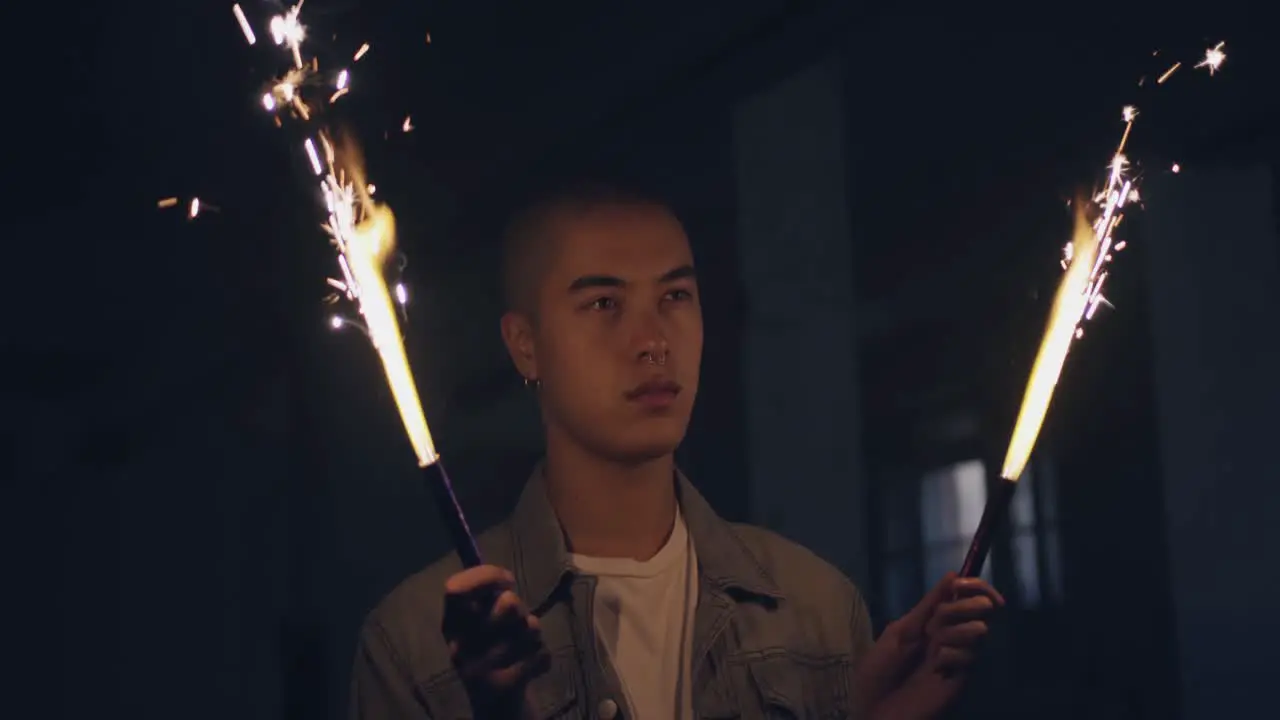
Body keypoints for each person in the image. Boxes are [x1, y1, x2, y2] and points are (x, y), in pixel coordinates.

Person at [348, 182, 1004, 719]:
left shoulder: (817, 612)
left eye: (675, 297)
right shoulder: (417, 642)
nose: (652, 340)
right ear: (525, 344)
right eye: (604, 303)